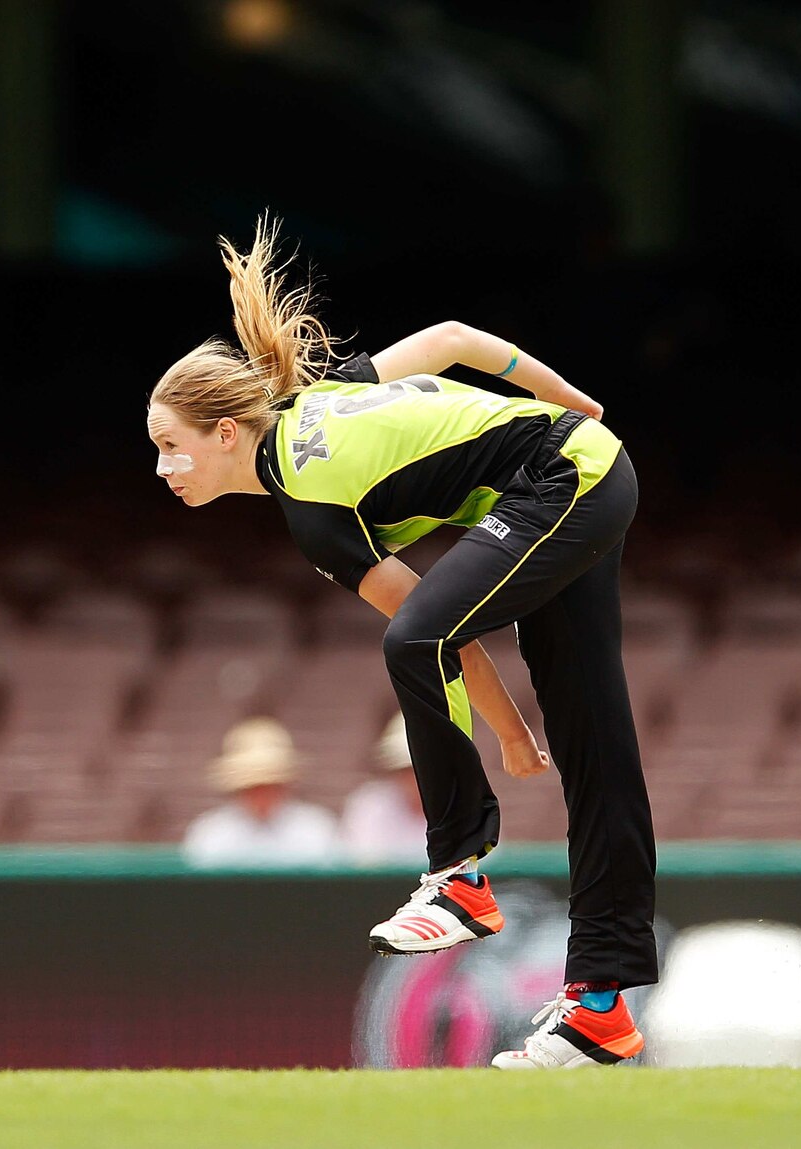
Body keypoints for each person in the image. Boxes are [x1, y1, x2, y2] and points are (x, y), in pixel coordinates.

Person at [147, 212, 657, 1069]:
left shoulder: (316, 510)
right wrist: (508, 732)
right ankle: (600, 1005)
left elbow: (423, 629)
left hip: (565, 478)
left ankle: (459, 874)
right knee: (595, 748)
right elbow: (456, 340)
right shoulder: (325, 396)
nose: (163, 469)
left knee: (420, 646)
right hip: (575, 473)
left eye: (171, 446)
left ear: (225, 434)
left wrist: (570, 418)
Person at [181, 715, 340, 868]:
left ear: (284, 785)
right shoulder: (211, 833)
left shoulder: (317, 828)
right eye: (253, 787)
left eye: (270, 786)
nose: (262, 795)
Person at [339, 711, 428, 865]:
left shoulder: (469, 810)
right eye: (408, 769)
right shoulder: (369, 807)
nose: (417, 778)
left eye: (427, 767)